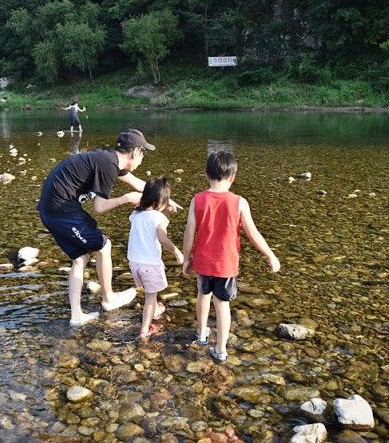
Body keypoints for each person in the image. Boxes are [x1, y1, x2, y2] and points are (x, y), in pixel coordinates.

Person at [38, 129, 181, 326]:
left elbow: (138, 183)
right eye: (143, 154)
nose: (142, 160)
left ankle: (76, 315)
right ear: (135, 152)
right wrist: (127, 198)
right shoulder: (108, 165)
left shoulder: (109, 160)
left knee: (80, 258)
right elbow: (100, 207)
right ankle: (108, 299)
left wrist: (167, 200)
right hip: (60, 211)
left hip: (53, 209)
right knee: (104, 246)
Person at [182, 151, 281, 362]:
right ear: (233, 176)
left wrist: (186, 259)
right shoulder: (239, 202)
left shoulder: (197, 200)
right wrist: (270, 255)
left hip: (202, 262)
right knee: (222, 305)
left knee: (203, 295)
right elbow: (252, 233)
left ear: (206, 175)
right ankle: (220, 350)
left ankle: (201, 335)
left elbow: (189, 232)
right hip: (225, 265)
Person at [127, 178, 184, 338]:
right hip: (149, 265)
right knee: (150, 298)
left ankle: (156, 310)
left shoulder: (135, 214)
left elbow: (148, 213)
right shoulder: (158, 218)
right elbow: (162, 237)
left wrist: (164, 208)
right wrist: (177, 252)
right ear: (160, 202)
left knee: (149, 289)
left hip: (134, 264)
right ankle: (145, 330)